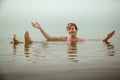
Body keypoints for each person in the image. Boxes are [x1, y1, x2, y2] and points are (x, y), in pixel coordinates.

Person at [11, 22, 115, 44]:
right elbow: (49, 38)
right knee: (41, 43)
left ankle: (19, 41)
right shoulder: (64, 38)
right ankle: (20, 41)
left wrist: (106, 37)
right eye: (69, 29)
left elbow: (98, 41)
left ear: (76, 30)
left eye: (73, 28)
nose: (71, 30)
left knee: (35, 43)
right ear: (67, 31)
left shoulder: (80, 40)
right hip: (50, 44)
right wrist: (40, 28)